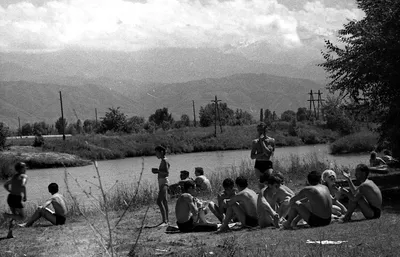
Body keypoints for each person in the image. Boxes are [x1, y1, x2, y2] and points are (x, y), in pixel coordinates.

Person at [3, 162, 28, 238]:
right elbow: (23, 185)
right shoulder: (24, 176)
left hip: (10, 197)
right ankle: (6, 215)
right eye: (24, 167)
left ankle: (10, 234)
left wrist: (10, 191)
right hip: (16, 198)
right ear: (21, 169)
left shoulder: (14, 177)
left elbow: (5, 185)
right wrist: (25, 196)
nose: (26, 168)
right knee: (22, 217)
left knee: (14, 216)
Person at [151, 145, 170, 226]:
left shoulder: (165, 161)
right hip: (162, 182)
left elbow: (166, 173)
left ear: (161, 152)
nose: (156, 155)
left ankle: (164, 221)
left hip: (164, 182)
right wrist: (157, 171)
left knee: (159, 201)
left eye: (157, 153)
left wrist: (158, 171)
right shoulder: (163, 160)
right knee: (164, 201)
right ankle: (166, 220)